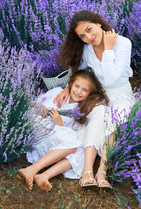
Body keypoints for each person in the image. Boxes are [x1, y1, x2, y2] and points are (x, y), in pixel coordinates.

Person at [54, 10, 135, 187]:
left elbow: (112, 79)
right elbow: (83, 73)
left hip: (120, 95)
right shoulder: (88, 49)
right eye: (82, 35)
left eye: (90, 29)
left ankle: (101, 173)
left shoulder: (122, 43)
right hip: (98, 95)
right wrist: (68, 87)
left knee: (115, 124)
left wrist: (107, 49)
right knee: (98, 118)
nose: (88, 37)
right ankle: (87, 172)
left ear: (99, 23)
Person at [18, 67, 109, 192]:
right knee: (72, 143)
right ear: (70, 85)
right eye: (77, 86)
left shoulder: (78, 111)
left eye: (84, 90)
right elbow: (31, 104)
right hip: (37, 127)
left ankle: (44, 176)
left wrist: (59, 124)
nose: (79, 92)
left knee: (80, 151)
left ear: (89, 94)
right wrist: (39, 106)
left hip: (53, 139)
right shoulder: (57, 91)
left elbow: (65, 135)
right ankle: (31, 170)